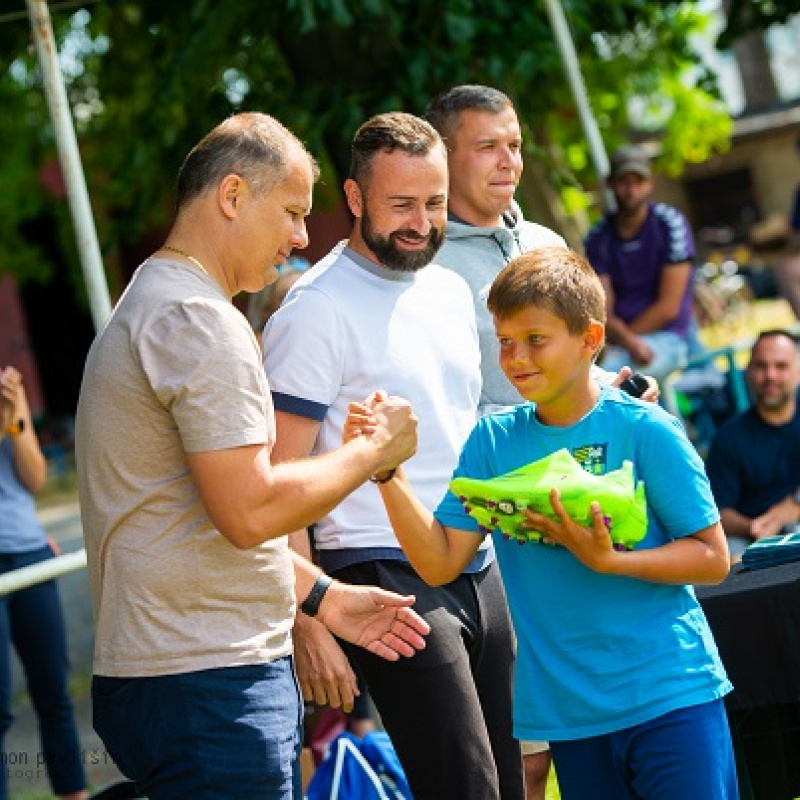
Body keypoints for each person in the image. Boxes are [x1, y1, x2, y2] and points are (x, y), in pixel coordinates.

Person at [74, 112, 430, 800]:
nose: (301, 237)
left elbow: (198, 517)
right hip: (211, 684)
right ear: (232, 196)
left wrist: (324, 597)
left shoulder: (152, 302)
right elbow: (249, 509)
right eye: (293, 212)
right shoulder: (200, 320)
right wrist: (373, 453)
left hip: (175, 679)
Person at [358, 247, 738, 800]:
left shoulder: (646, 430)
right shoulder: (492, 442)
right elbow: (439, 563)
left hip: (670, 695)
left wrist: (611, 561)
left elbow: (713, 558)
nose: (515, 358)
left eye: (536, 339)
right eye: (505, 342)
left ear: (589, 340)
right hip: (570, 717)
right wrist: (386, 470)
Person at [263, 112, 524, 800]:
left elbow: (462, 424)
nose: (421, 221)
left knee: (517, 774)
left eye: (434, 203)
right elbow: (278, 482)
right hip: (380, 566)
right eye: (400, 204)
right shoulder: (313, 309)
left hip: (477, 554)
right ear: (354, 198)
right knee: (464, 786)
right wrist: (308, 617)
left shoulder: (447, 288)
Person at [425, 83, 659, 797]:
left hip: (596, 516)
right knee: (530, 753)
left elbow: (576, 362)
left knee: (617, 720)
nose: (509, 161)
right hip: (506, 544)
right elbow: (453, 406)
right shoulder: (427, 273)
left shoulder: (547, 244)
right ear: (445, 158)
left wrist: (611, 388)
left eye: (515, 144)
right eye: (488, 146)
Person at [0, 367, 88, 800]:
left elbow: (33, 479)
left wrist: (15, 416)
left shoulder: (6, 392)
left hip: (30, 555)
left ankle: (73, 792)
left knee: (54, 695)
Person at [584, 144, 697, 384]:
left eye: (638, 182)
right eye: (624, 182)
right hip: (621, 342)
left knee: (606, 382)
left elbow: (669, 307)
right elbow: (604, 310)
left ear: (650, 184)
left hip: (670, 336)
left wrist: (624, 340)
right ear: (610, 184)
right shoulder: (598, 237)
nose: (631, 191)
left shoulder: (670, 224)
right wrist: (628, 342)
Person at [706, 329, 800, 559]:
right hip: (751, 541)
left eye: (781, 366)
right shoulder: (729, 437)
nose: (770, 376)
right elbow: (718, 511)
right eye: (761, 366)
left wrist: (793, 506)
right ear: (747, 372)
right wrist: (755, 528)